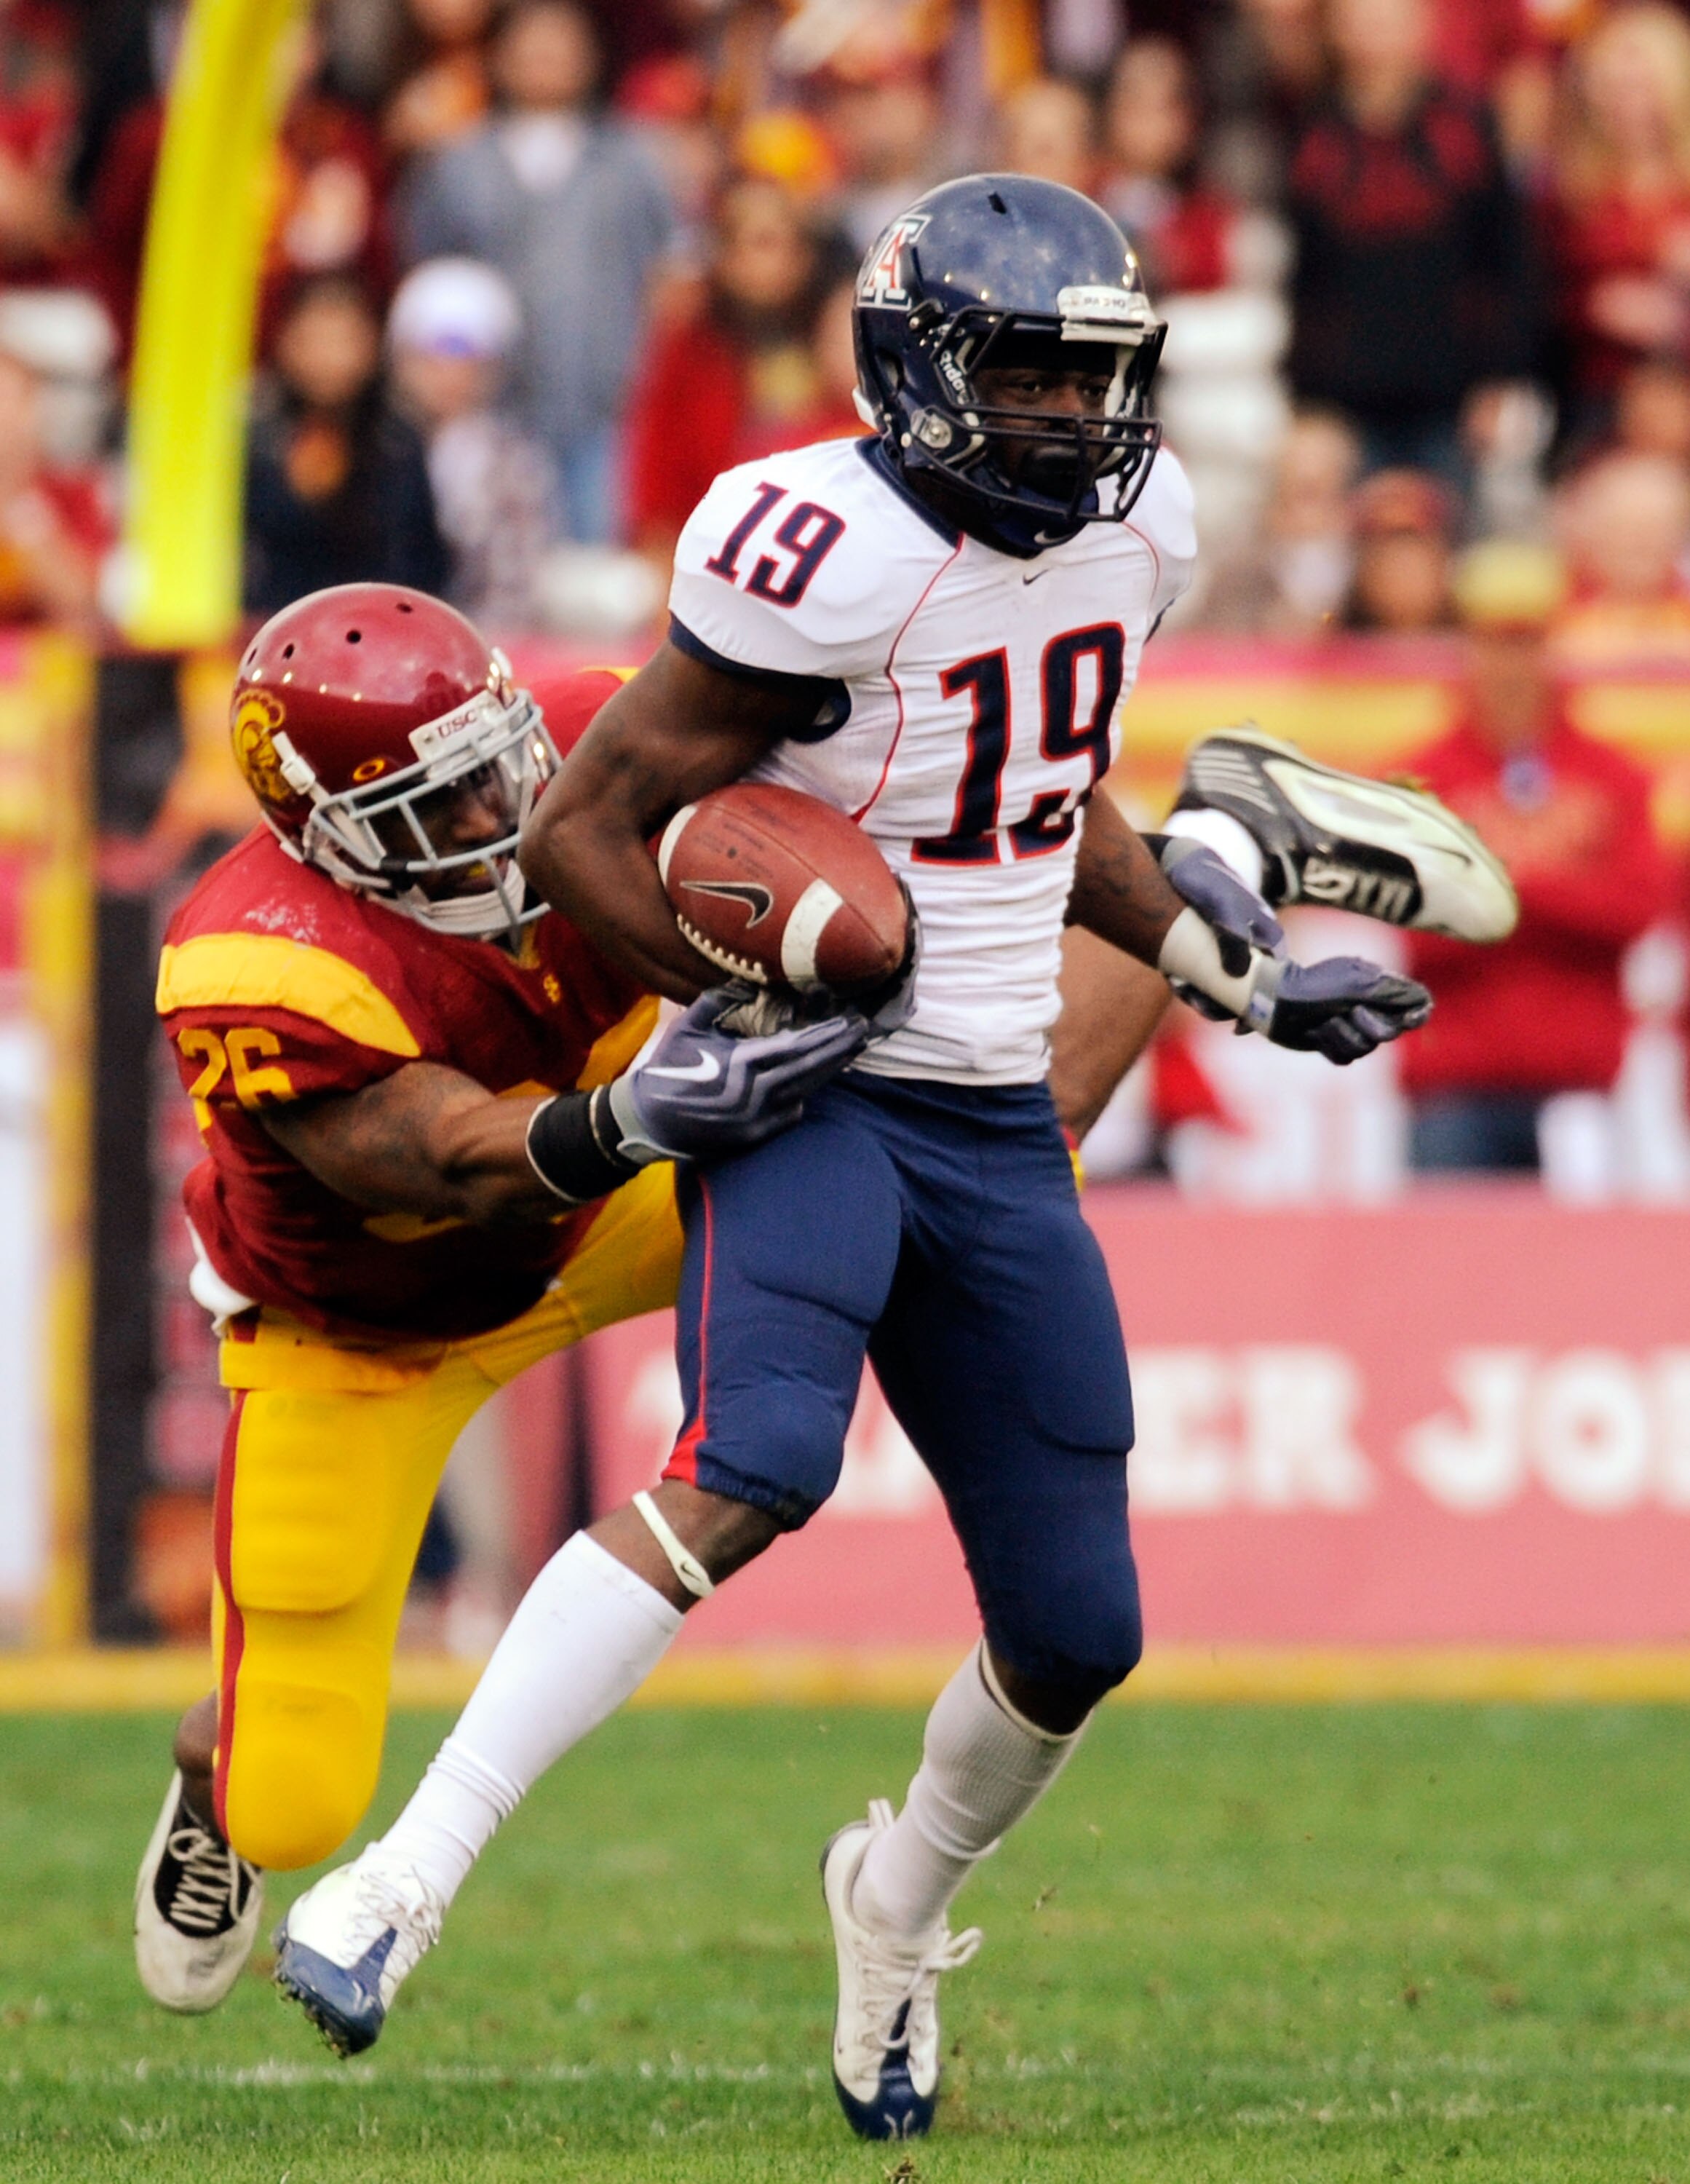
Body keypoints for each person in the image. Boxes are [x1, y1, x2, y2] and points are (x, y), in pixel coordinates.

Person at [270, 178, 1466, 2143]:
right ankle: (404, 1877)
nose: (1075, 422)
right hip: (823, 1094)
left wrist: (1208, 963)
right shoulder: (809, 546)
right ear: (918, 367)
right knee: (752, 1465)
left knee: (1083, 1630)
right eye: (1027, 373)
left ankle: (892, 1913)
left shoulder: (1136, 532)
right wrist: (713, 1022)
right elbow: (586, 825)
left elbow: (1051, 799)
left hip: (997, 1115)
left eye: (1097, 379)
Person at [133, 585, 878, 2014]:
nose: (497, 807)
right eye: (437, 801)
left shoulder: (599, 733)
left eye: (496, 757)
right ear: (331, 841)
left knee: (959, 1185)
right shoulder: (258, 958)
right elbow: (445, 1157)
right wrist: (649, 1111)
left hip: (602, 1215)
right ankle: (208, 1766)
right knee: (290, 1804)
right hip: (363, 1330)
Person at [1402, 538, 1672, 1176]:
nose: (1512, 663)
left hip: (1585, 1087)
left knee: (1587, 1274)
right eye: (1496, 641)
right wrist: (1554, 890)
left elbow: (1637, 911)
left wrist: (1502, 887)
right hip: (1453, 1090)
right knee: (1448, 1270)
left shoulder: (1611, 775)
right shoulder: (1421, 778)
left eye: (1528, 641)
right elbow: (1418, 926)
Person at [398, 0, 676, 543]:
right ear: (498, 57)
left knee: (592, 579)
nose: (545, 56)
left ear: (592, 57)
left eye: (561, 43)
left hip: (609, 412)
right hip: (488, 418)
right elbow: (426, 279)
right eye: (530, 43)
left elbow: (672, 274)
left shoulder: (635, 160)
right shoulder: (457, 162)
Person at [1283, 0, 1541, 482]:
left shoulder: (1465, 125)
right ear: (1337, 30)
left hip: (1451, 399)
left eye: (1389, 20)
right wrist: (1306, 398)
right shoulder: (1315, 135)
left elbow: (1507, 259)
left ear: (1423, 27)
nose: (1374, 36)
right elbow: (1307, 279)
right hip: (1347, 399)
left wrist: (1502, 375)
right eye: (1361, 20)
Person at [245, 274, 448, 614]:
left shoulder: (397, 440)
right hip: (268, 629)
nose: (329, 359)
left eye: (343, 340)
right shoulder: (255, 436)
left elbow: (422, 556)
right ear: (285, 342)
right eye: (314, 340)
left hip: (380, 626)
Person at [386, 256, 558, 628]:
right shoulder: (378, 447)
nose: (447, 376)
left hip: (480, 644)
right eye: (430, 359)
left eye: (465, 358)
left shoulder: (514, 464)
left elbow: (517, 587)